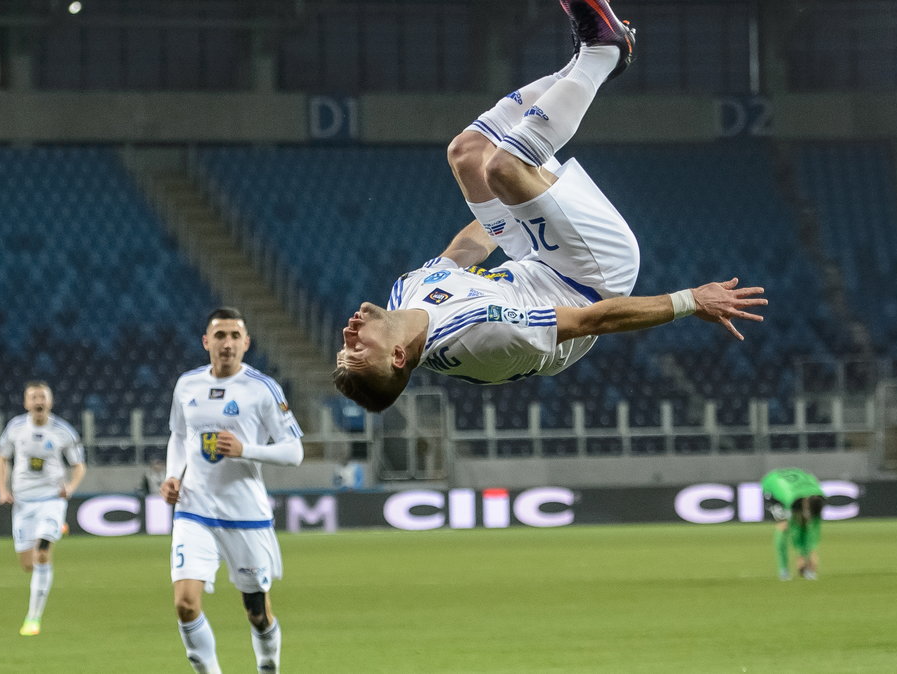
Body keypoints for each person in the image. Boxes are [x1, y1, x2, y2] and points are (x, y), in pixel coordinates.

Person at [334, 0, 768, 411]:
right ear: (396, 356)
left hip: (537, 260)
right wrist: (691, 300)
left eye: (343, 346)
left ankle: (581, 65)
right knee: (504, 168)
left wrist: (505, 212)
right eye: (356, 349)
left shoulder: (403, 296)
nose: (348, 335)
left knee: (467, 153)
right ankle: (601, 54)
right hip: (592, 277)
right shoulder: (479, 339)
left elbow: (465, 251)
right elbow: (591, 321)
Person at [161, 307, 305, 674]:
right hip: (194, 509)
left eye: (234, 336)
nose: (227, 343)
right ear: (206, 342)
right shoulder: (186, 384)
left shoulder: (262, 389)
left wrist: (246, 450)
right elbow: (180, 436)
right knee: (186, 605)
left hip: (245, 514)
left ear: (246, 343)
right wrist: (172, 475)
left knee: (257, 613)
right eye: (220, 336)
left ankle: (268, 666)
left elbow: (294, 452)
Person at [0, 380, 87, 636]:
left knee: (42, 554)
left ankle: (33, 618)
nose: (38, 401)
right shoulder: (15, 428)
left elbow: (79, 465)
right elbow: (2, 457)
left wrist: (70, 487)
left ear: (50, 401)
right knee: (28, 563)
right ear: (26, 403)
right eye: (33, 397)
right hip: (23, 502)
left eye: (42, 397)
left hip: (51, 499)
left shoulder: (62, 431)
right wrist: (3, 490)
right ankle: (55, 529)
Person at [761, 467, 826, 580]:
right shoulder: (792, 500)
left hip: (798, 486)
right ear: (805, 504)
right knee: (784, 526)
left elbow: (814, 531)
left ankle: (807, 570)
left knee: (805, 525)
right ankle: (784, 570)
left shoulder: (819, 498)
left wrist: (811, 553)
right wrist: (801, 558)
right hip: (773, 485)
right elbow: (795, 531)